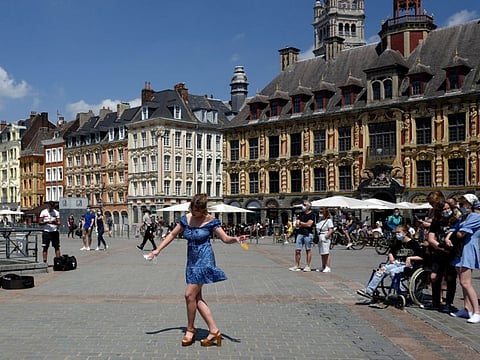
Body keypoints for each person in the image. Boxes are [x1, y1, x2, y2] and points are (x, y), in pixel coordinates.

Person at [146, 193, 243, 347]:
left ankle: (191, 330)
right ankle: (214, 331)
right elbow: (172, 234)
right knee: (196, 298)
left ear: (204, 209)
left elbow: (225, 238)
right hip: (191, 261)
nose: (195, 212)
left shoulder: (211, 221)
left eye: (198, 210)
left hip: (205, 261)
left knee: (188, 295)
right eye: (193, 209)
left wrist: (235, 239)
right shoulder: (186, 219)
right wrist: (158, 250)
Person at [357, 225, 423, 299]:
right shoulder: (397, 243)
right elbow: (391, 251)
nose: (397, 234)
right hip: (397, 263)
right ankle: (369, 291)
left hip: (408, 265)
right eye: (396, 232)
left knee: (393, 272)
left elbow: (421, 257)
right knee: (381, 270)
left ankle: (401, 292)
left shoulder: (413, 243)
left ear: (405, 233)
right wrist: (391, 255)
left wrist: (410, 258)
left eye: (399, 232)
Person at [445, 193, 480, 323]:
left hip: (468, 249)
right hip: (460, 250)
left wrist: (452, 234)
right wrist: (449, 235)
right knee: (462, 282)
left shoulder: (476, 217)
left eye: (464, 203)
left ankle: (477, 311)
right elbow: (453, 229)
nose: (461, 205)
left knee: (466, 282)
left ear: (470, 204)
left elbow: (460, 233)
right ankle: (467, 309)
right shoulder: (465, 217)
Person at [427, 200, 460, 312]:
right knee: (434, 277)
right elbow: (431, 238)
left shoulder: (456, 221)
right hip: (439, 253)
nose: (446, 211)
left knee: (450, 278)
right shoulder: (436, 222)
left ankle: (448, 303)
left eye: (447, 209)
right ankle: (436, 301)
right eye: (443, 210)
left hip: (452, 254)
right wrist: (439, 246)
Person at [289, 201, 316, 272]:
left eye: (304, 205)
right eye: (303, 205)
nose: (303, 206)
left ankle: (308, 266)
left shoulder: (312, 214)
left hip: (308, 234)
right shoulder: (300, 214)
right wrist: (302, 224)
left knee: (308, 250)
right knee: (297, 250)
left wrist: (301, 223)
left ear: (309, 206)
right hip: (300, 233)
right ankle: (296, 265)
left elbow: (309, 225)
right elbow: (296, 224)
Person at [315, 207, 334, 272]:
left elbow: (331, 229)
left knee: (326, 252)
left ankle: (328, 266)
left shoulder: (328, 220)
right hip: (320, 236)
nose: (320, 213)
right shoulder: (320, 220)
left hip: (325, 236)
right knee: (322, 252)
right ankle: (323, 266)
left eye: (321, 212)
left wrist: (326, 236)